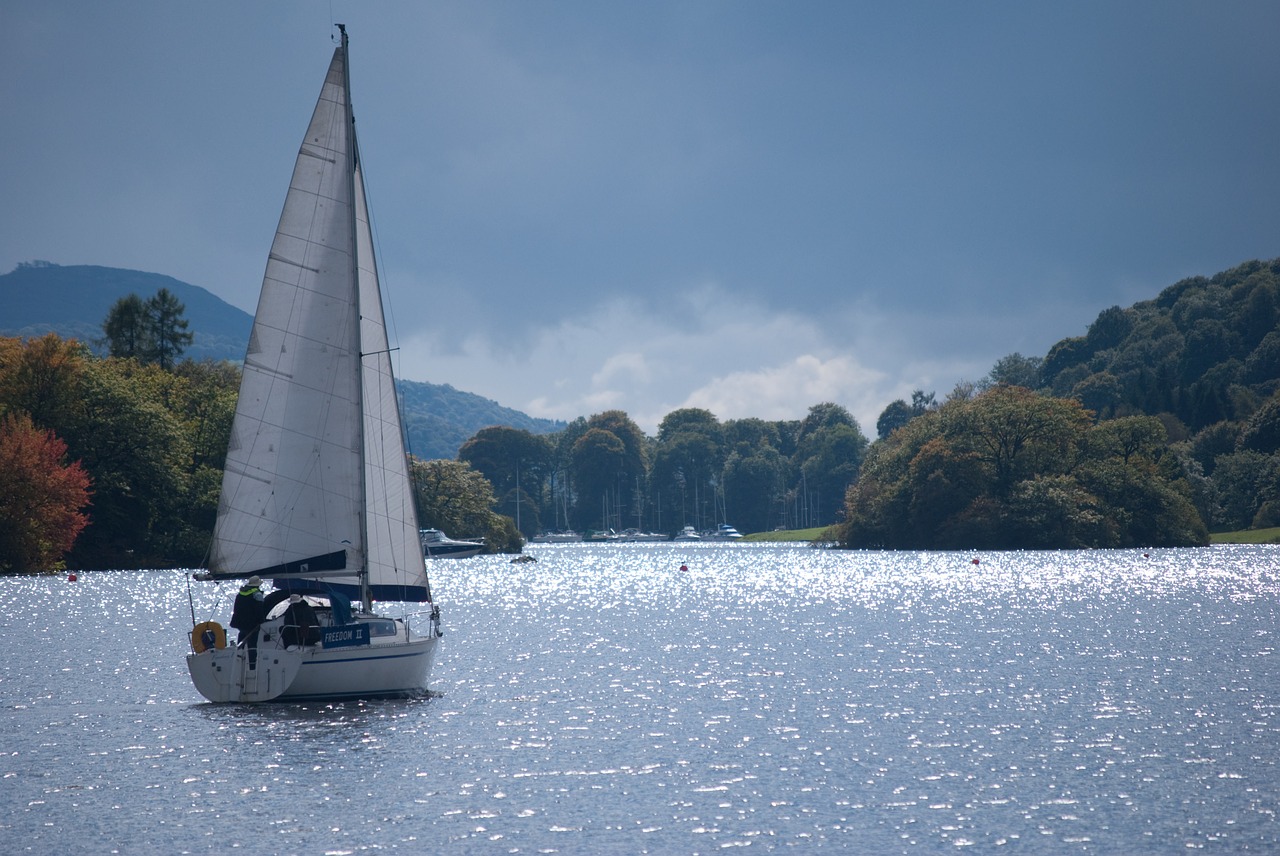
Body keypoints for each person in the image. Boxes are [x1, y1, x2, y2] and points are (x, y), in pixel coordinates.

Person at [229, 575, 267, 667]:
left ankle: (238, 662)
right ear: (257, 585)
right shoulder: (257, 594)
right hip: (252, 624)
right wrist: (261, 621)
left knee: (241, 640)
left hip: (240, 623)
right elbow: (259, 609)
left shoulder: (241, 593)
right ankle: (252, 665)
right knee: (252, 645)